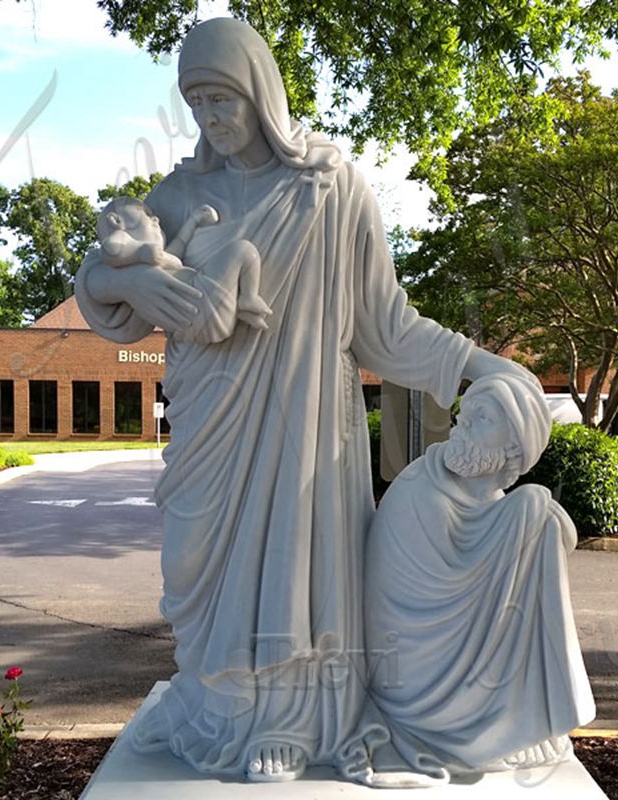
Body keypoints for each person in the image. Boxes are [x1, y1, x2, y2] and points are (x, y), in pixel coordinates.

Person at [75, 16, 532, 783]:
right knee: (195, 564)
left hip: (304, 425)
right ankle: (211, 707)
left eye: (223, 98)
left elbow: (387, 328)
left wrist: (481, 367)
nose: (211, 119)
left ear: (260, 90)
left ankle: (290, 721)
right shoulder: (181, 193)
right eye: (196, 103)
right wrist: (125, 279)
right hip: (206, 425)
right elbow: (103, 284)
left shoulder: (328, 187)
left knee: (294, 565)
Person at [363, 374, 596, 779]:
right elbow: (438, 597)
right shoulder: (422, 487)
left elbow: (556, 540)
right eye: (464, 414)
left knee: (535, 514)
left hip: (455, 663)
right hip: (410, 672)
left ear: (514, 445)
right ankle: (496, 720)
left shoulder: (494, 503)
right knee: (533, 509)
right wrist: (530, 510)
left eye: (481, 418)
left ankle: (514, 713)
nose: (462, 425)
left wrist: (532, 513)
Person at [96, 197, 271, 339]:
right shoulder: (124, 239)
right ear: (116, 220)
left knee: (243, 252)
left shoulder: (161, 259)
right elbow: (110, 250)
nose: (156, 218)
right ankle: (248, 298)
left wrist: (193, 221)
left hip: (194, 319)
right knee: (242, 250)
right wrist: (140, 253)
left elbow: (179, 244)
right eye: (146, 213)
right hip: (200, 296)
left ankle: (244, 308)